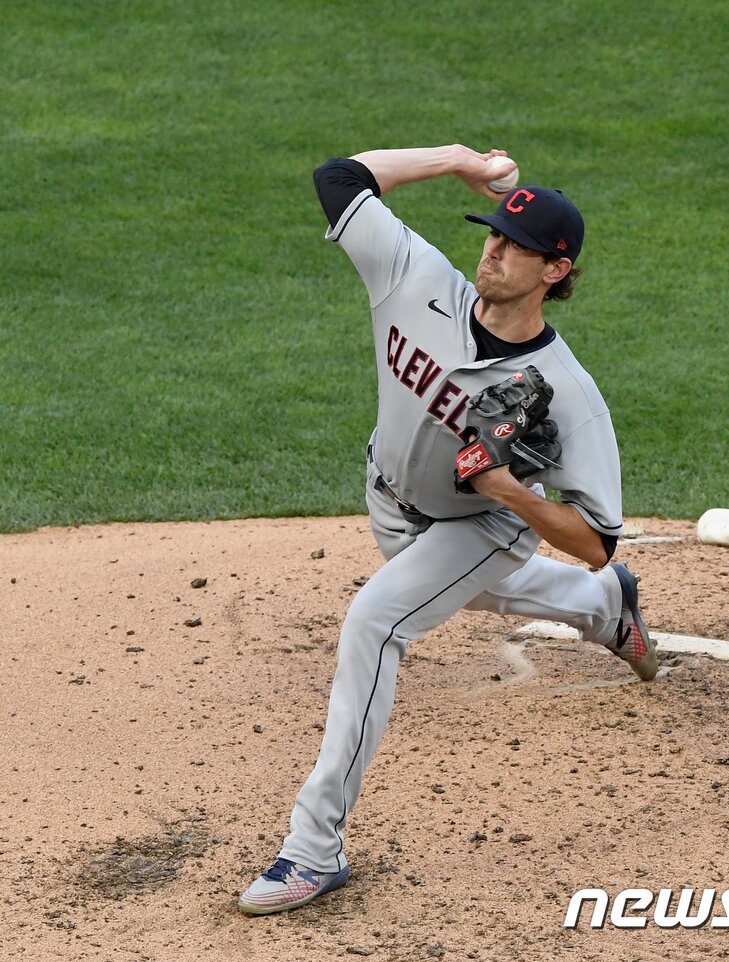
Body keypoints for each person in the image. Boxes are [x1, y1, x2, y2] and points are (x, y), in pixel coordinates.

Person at [236, 144, 658, 916]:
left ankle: (313, 848)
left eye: (516, 247)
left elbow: (597, 540)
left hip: (481, 525)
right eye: (493, 234)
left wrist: (505, 488)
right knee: (473, 590)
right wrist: (457, 160)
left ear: (555, 272)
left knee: (376, 620)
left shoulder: (568, 394)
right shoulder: (417, 276)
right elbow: (340, 178)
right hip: (389, 500)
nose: (493, 250)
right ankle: (605, 609)